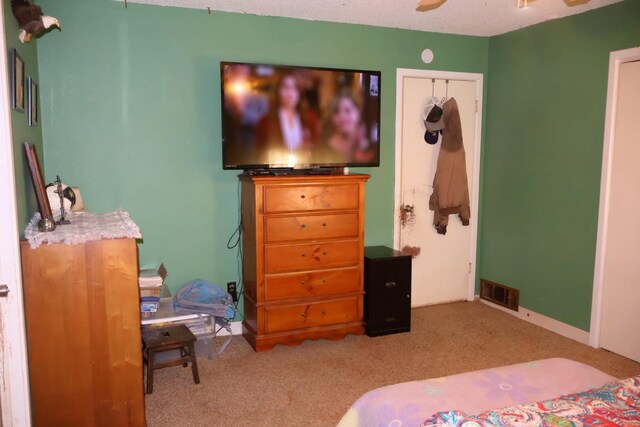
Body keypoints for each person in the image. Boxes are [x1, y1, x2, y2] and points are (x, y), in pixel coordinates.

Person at [256, 72, 316, 165]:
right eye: (285, 87)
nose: (290, 91)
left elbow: (316, 152)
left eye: (294, 87)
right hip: (275, 175)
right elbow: (260, 156)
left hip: (304, 173)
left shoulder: (310, 119)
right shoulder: (265, 122)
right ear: (278, 92)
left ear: (299, 92)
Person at [321, 90, 375, 163]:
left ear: (358, 112)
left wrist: (363, 146)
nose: (342, 117)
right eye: (336, 111)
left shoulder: (371, 147)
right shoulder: (322, 149)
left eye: (348, 110)